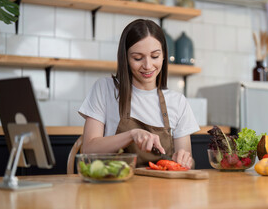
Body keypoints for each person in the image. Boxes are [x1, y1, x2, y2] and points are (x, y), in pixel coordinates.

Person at [78, 19, 200, 168]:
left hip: (162, 189)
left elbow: (189, 164)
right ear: (126, 58)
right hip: (114, 186)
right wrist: (131, 135)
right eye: (137, 58)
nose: (148, 66)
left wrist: (186, 160)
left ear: (163, 56)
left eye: (155, 56)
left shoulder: (178, 102)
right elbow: (88, 149)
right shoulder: (105, 89)